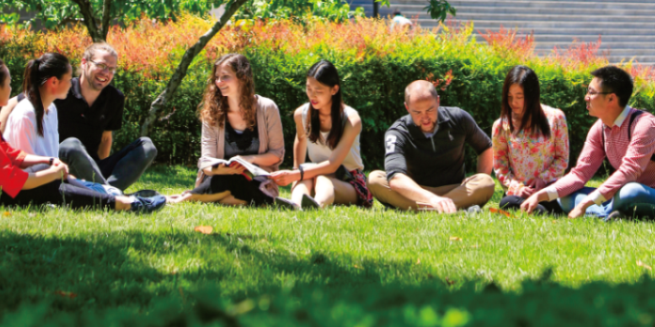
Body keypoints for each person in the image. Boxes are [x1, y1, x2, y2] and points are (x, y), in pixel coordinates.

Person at [0, 57, 166, 212]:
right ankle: (123, 204)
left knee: (51, 185)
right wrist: (52, 173)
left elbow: (9, 153)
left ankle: (120, 200)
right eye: (8, 83)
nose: (11, 88)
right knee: (46, 188)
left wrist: (48, 162)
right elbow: (14, 180)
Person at [521, 65, 655, 221]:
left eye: (591, 92)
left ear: (611, 99)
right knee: (565, 195)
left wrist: (585, 203)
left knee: (629, 192)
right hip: (620, 195)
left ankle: (601, 213)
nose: (586, 97)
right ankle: (614, 214)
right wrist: (540, 195)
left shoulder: (645, 125)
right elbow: (580, 173)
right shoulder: (600, 129)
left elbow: (629, 172)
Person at [0, 43, 157, 191]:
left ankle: (104, 192)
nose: (106, 73)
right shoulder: (62, 88)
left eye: (111, 69)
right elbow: (11, 104)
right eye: (101, 66)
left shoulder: (115, 98)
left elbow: (105, 139)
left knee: (147, 146)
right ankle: (107, 195)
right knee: (71, 145)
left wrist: (96, 173)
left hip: (91, 166)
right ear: (84, 63)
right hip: (61, 162)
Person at [170, 54, 293, 208]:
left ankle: (195, 198)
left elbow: (276, 155)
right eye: (217, 77)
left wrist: (248, 160)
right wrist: (222, 169)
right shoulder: (212, 112)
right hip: (220, 178)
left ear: (243, 77)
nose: (219, 82)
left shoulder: (267, 108)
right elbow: (206, 162)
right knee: (228, 179)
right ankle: (190, 199)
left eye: (225, 77)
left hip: (255, 182)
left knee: (249, 186)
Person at [368, 80, 496, 213]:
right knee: (375, 179)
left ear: (438, 101)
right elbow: (396, 178)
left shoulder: (459, 118)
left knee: (486, 182)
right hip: (415, 191)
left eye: (430, 110)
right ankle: (445, 207)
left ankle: (421, 208)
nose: (425, 118)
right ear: (407, 108)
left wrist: (478, 176)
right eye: (417, 112)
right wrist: (432, 199)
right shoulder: (397, 132)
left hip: (454, 189)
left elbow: (486, 147)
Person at [269, 60, 373, 209]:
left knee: (320, 178)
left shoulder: (351, 119)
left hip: (349, 181)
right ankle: (295, 205)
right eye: (308, 88)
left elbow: (333, 164)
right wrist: (296, 171)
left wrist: (297, 174)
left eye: (318, 91)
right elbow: (300, 139)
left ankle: (317, 205)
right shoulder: (302, 114)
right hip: (316, 173)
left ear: (334, 89)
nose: (312, 95)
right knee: (306, 177)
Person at [493, 65, 569, 214]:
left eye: (519, 97)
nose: (513, 102)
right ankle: (536, 209)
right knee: (507, 202)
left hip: (547, 190)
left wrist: (543, 179)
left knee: (557, 200)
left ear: (532, 95)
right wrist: (517, 188)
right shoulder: (500, 126)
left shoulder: (556, 118)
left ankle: (537, 208)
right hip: (518, 194)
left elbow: (562, 159)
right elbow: (500, 166)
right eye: (510, 97)